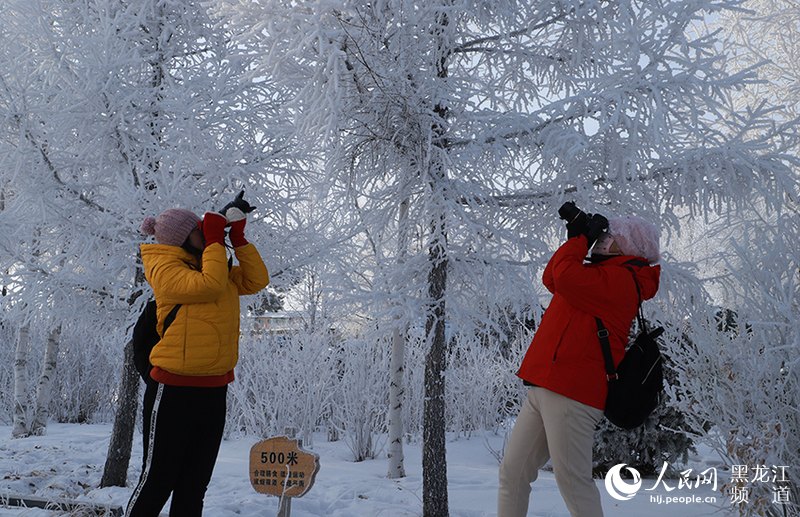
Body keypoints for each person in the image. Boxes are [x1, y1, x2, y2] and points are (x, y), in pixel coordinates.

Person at [497, 203, 661, 517]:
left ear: (628, 246)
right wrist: (576, 238)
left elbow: (564, 276)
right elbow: (552, 277)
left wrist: (579, 242)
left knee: (572, 483)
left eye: (610, 236)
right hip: (546, 384)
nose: (602, 239)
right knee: (513, 474)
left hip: (574, 394)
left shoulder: (624, 282)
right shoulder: (595, 273)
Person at [125, 192, 269, 517]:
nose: (205, 236)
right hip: (173, 390)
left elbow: (257, 280)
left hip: (214, 390)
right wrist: (216, 239)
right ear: (181, 239)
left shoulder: (210, 266)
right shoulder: (166, 269)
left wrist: (239, 239)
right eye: (199, 232)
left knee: (193, 485)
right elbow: (210, 286)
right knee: (158, 480)